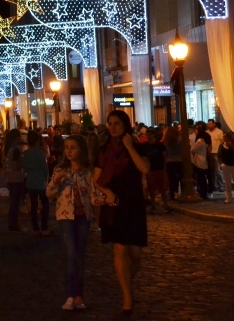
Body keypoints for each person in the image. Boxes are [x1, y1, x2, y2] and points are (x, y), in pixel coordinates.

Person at [93, 110, 150, 315]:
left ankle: (127, 284)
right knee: (119, 249)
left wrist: (128, 146)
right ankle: (127, 297)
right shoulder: (103, 150)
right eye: (110, 123)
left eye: (117, 123)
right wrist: (107, 192)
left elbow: (144, 168)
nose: (113, 126)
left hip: (134, 202)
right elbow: (96, 179)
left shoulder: (138, 146)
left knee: (135, 253)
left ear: (125, 124)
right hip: (114, 203)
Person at [47, 134, 96, 312]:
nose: (68, 151)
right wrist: (55, 182)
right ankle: (70, 294)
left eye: (73, 147)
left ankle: (78, 296)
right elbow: (49, 193)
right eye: (66, 147)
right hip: (66, 216)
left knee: (80, 256)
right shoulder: (61, 170)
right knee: (71, 254)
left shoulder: (88, 171)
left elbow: (92, 193)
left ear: (81, 150)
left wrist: (99, 200)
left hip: (83, 216)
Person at [23, 131, 51, 235]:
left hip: (31, 181)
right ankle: (44, 227)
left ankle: (35, 227)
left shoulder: (26, 153)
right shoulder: (40, 153)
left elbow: (24, 167)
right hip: (40, 181)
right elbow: (45, 168)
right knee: (45, 204)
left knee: (34, 205)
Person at [143, 127, 169, 213]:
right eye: (147, 134)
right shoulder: (145, 146)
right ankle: (153, 206)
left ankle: (166, 205)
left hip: (159, 169)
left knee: (163, 189)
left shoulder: (159, 145)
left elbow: (164, 156)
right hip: (150, 170)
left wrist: (164, 167)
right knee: (151, 190)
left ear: (153, 135)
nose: (148, 136)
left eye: (150, 134)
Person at [4, 130, 26, 231]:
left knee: (13, 202)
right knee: (16, 203)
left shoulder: (8, 148)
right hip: (17, 178)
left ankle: (11, 223)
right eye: (19, 136)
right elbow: (16, 165)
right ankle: (14, 224)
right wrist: (24, 163)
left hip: (10, 177)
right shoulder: (16, 150)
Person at [218, 131, 234, 203]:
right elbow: (219, 155)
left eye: (225, 136)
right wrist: (221, 163)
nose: (224, 138)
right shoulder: (221, 145)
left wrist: (230, 146)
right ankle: (228, 197)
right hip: (226, 165)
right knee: (227, 182)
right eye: (223, 136)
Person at [190, 126, 210, 200]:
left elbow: (192, 150)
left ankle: (203, 193)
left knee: (201, 178)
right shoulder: (202, 140)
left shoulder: (199, 141)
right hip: (201, 161)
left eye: (196, 131)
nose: (195, 132)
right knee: (202, 178)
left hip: (199, 161)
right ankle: (203, 193)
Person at [163, 126, 182, 201]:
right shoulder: (180, 140)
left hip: (169, 161)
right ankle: (178, 192)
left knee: (171, 179)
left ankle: (172, 194)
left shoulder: (166, 141)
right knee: (180, 178)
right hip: (180, 160)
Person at [206, 119, 224, 192]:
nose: (209, 125)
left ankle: (221, 185)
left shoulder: (219, 132)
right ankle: (213, 185)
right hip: (209, 153)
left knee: (217, 170)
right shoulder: (206, 133)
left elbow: (222, 142)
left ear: (214, 124)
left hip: (216, 152)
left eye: (210, 124)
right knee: (211, 171)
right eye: (208, 124)